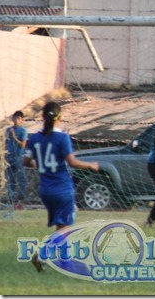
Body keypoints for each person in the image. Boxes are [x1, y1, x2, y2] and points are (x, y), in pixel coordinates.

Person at [23, 101, 99, 272]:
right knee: (66, 228)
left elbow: (26, 161)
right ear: (61, 117)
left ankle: (65, 262)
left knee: (61, 227)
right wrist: (90, 165)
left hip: (45, 190)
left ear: (42, 117)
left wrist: (43, 164)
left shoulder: (34, 138)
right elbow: (71, 162)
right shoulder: (62, 137)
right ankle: (43, 253)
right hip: (62, 188)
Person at [5, 110, 28, 209]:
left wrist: (14, 136)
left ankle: (21, 197)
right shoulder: (8, 130)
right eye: (15, 118)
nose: (17, 120)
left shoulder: (23, 131)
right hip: (9, 156)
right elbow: (5, 142)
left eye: (19, 118)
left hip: (18, 156)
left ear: (22, 120)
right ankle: (12, 197)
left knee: (21, 177)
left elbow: (23, 145)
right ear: (13, 118)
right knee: (11, 178)